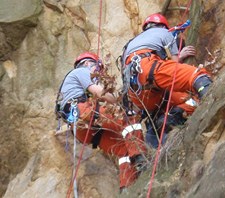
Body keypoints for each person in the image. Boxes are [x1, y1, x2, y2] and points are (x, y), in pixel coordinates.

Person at [55, 52, 147, 192]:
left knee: (122, 147)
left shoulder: (73, 84)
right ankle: (140, 157)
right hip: (84, 111)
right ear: (87, 63)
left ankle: (127, 187)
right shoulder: (81, 71)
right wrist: (122, 100)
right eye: (98, 69)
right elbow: (100, 93)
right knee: (129, 116)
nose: (98, 73)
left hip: (81, 129)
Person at [121, 13, 212, 146]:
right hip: (148, 69)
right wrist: (180, 56)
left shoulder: (131, 44)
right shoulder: (164, 32)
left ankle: (162, 126)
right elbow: (174, 68)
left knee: (159, 110)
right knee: (197, 75)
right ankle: (212, 101)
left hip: (136, 93)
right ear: (163, 25)